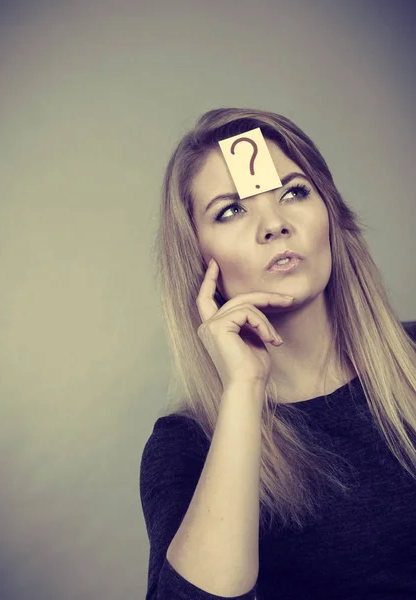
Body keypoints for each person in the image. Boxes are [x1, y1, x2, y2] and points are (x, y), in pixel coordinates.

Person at [139, 108, 416, 600]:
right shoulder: (188, 447)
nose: (274, 224)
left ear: (330, 213)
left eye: (292, 192)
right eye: (231, 210)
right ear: (199, 259)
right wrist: (244, 388)